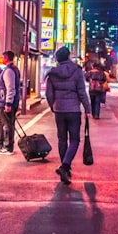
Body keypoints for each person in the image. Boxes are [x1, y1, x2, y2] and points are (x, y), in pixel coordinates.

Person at [44, 46, 92, 185]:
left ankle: (65, 168)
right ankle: (65, 166)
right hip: (73, 110)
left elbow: (49, 93)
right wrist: (87, 109)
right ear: (69, 57)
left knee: (62, 139)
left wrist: (53, 106)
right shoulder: (76, 71)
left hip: (59, 110)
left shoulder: (52, 73)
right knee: (75, 140)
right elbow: (82, 92)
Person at [0, 50, 21, 155]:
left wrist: (8, 103)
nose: (2, 59)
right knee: (9, 124)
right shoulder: (14, 69)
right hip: (10, 102)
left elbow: (10, 88)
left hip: (6, 103)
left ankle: (8, 147)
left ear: (6, 58)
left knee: (7, 125)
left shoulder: (9, 71)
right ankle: (8, 146)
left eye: (3, 57)